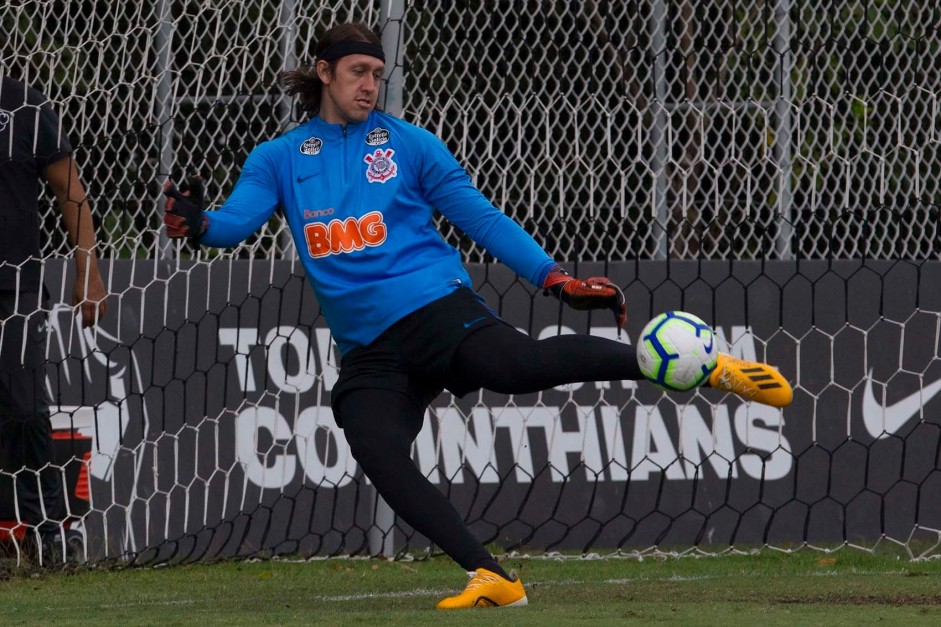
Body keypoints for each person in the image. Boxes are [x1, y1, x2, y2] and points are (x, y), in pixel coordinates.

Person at [161, 22, 792, 609]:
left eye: (378, 74)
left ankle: (697, 369)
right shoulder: (279, 157)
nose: (370, 86)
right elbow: (235, 221)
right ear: (324, 74)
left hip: (434, 305)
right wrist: (201, 224)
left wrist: (554, 277)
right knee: (373, 443)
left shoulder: (408, 144)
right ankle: (492, 577)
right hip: (369, 349)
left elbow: (480, 217)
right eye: (358, 72)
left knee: (513, 366)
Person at [0, 76, 108, 563]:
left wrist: (88, 266)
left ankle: (46, 528)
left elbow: (70, 190)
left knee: (24, 409)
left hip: (14, 286)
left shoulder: (23, 103)